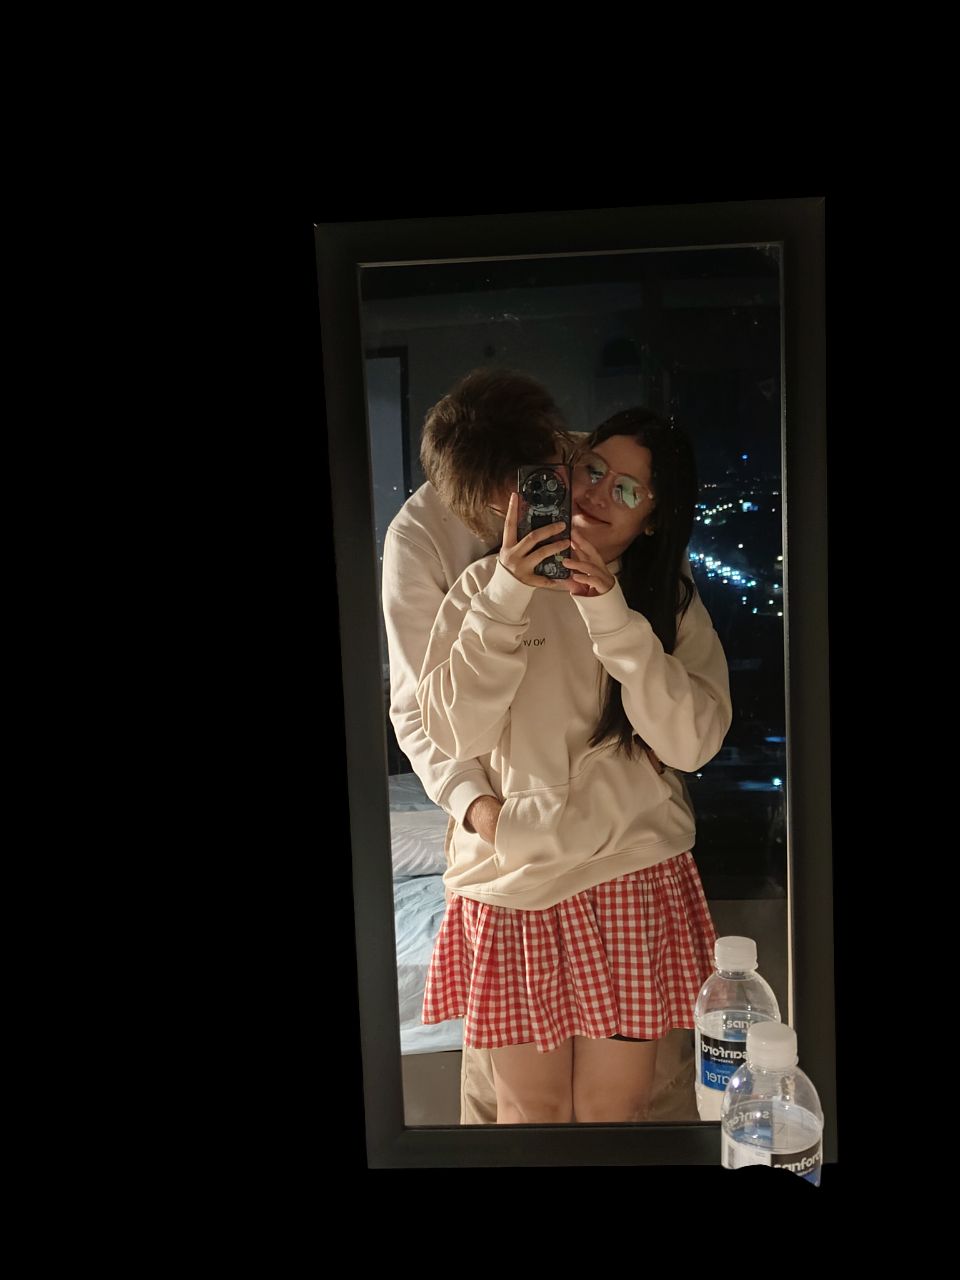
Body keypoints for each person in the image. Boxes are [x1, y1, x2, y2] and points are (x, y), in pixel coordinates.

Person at [417, 408, 732, 1123]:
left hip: (629, 873)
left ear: (653, 518)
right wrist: (508, 591)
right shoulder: (482, 587)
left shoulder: (665, 603)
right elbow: (451, 731)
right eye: (592, 470)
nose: (596, 493)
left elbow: (692, 744)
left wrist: (612, 615)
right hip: (514, 884)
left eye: (626, 489)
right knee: (529, 1113)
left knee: (612, 1110)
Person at [381, 367, 573, 1124]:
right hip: (502, 825)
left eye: (529, 485)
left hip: (613, 820)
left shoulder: (587, 480)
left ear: (554, 447)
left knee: (635, 1096)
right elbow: (415, 708)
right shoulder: (420, 537)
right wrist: (479, 809)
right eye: (491, 506)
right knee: (513, 1104)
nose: (513, 513)